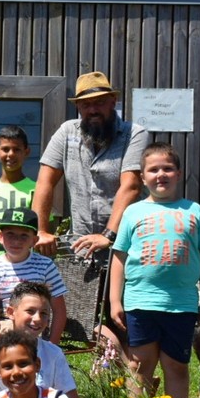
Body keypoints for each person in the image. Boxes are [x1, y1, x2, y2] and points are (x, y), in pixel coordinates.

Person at [110, 142, 200, 398]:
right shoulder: (133, 212)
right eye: (153, 169)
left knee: (176, 366)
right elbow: (119, 257)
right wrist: (115, 300)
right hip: (140, 302)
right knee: (139, 365)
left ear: (178, 174)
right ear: (143, 177)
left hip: (181, 305)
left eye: (167, 168)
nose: (161, 174)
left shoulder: (194, 211)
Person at [33, 71, 147, 259]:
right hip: (80, 246)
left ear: (113, 101)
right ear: (78, 106)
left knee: (122, 289)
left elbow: (132, 186)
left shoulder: (134, 134)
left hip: (126, 245)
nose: (93, 110)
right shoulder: (67, 132)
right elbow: (45, 181)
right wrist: (41, 230)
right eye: (86, 104)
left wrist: (109, 235)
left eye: (100, 102)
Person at [0, 206, 67, 379]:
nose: (17, 241)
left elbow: (59, 309)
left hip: (32, 323)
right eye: (10, 234)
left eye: (24, 235)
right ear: (0, 237)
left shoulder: (45, 265)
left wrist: (53, 345)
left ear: (34, 240)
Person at [0, 281, 79, 398]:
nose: (37, 319)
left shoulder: (53, 353)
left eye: (44, 313)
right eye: (30, 311)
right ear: (11, 312)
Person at [0, 125, 37, 258]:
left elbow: (42, 231)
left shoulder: (37, 191)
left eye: (16, 149)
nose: (11, 154)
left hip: (29, 267)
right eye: (5, 149)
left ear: (26, 152)